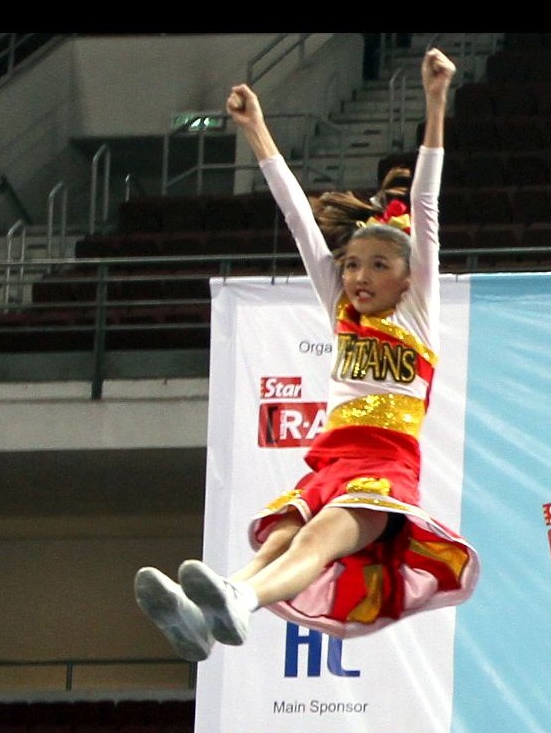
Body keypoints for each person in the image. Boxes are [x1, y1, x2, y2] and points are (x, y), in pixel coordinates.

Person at [132, 49, 476, 660]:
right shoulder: (341, 311)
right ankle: (200, 617)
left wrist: (435, 101)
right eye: (351, 265)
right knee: (281, 540)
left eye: (378, 265)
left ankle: (238, 599)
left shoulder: (417, 316)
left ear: (409, 276)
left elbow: (426, 204)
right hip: (331, 463)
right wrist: (256, 130)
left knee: (314, 542)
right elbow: (298, 219)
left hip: (384, 471)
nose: (359, 277)